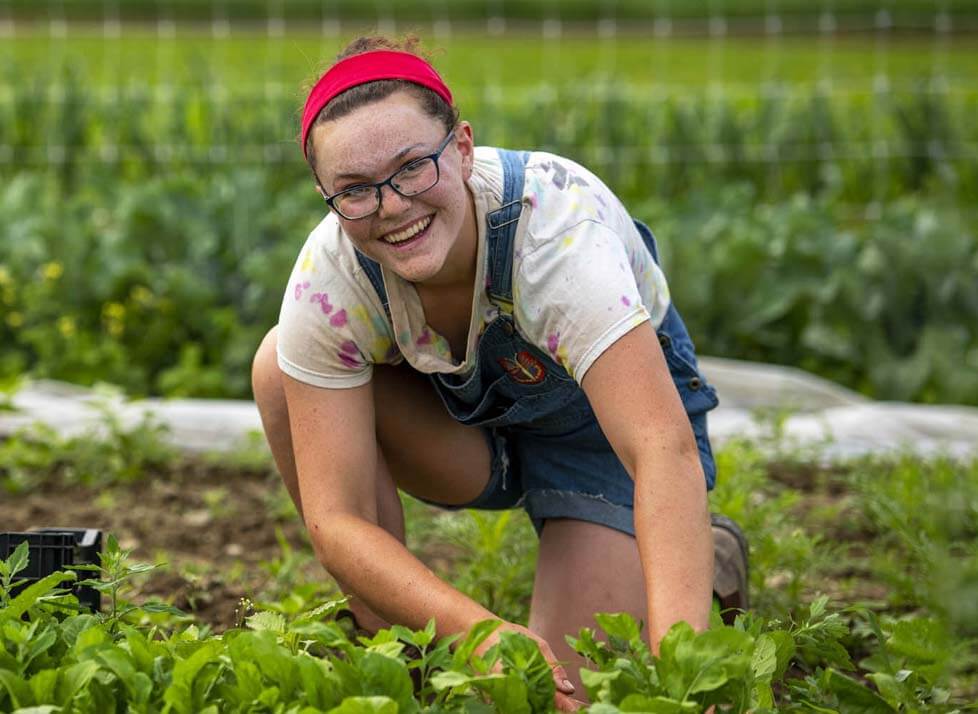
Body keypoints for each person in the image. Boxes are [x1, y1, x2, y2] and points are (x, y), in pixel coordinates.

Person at [251, 35, 748, 711]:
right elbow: (336, 519)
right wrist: (475, 634)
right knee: (279, 367)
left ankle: (704, 565)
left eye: (412, 167)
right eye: (356, 191)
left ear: (460, 147)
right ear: (327, 195)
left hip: (603, 441)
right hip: (467, 429)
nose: (392, 205)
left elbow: (659, 447)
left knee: (566, 693)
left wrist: (682, 673)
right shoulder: (330, 277)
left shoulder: (556, 236)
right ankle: (397, 649)